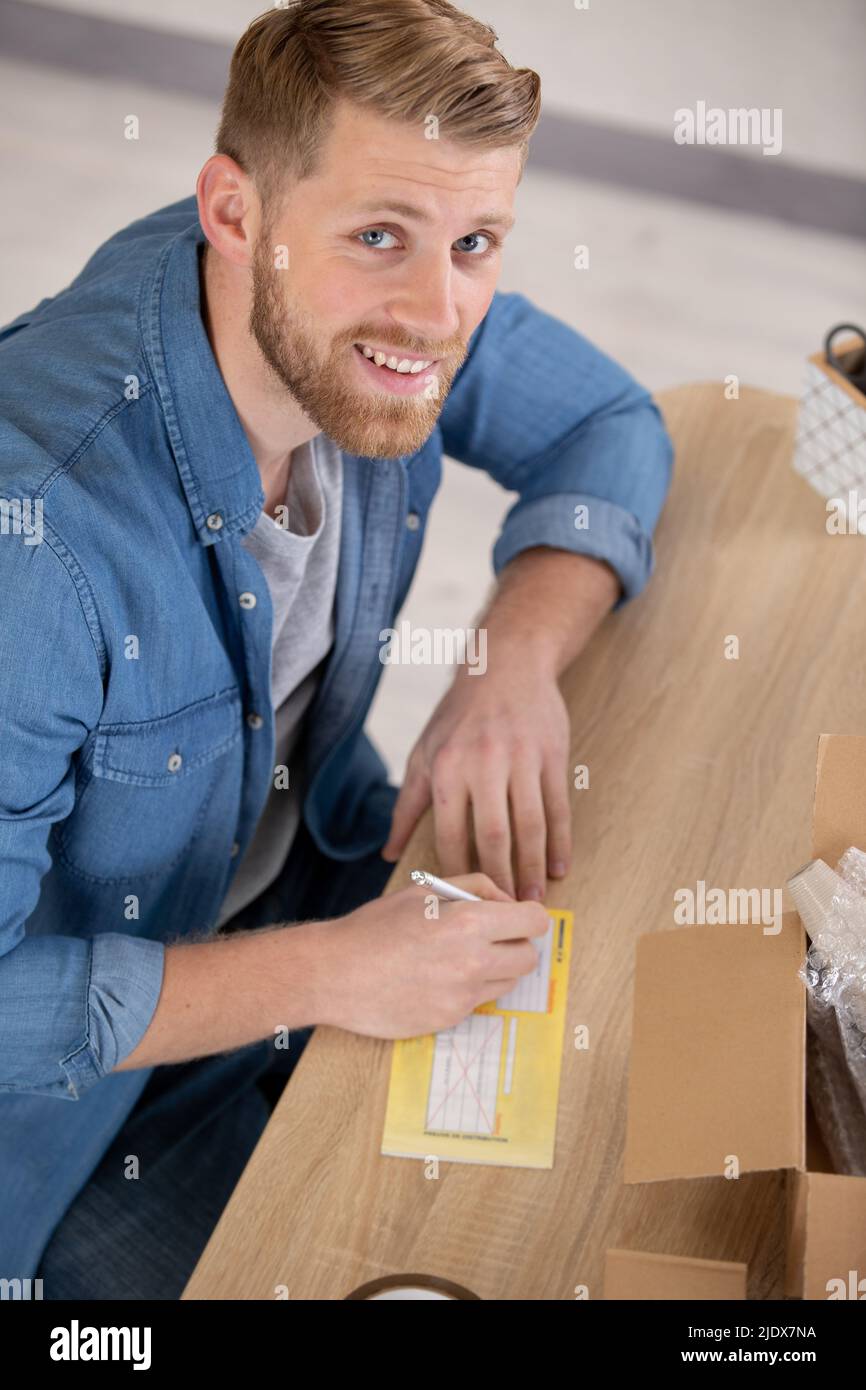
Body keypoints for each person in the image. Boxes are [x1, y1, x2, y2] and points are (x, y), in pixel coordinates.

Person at [0, 0, 673, 1299]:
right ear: (233, 212)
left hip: (312, 865)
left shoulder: (347, 329)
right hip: (85, 1120)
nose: (438, 313)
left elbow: (604, 420)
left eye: (475, 241)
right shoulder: (40, 549)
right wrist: (328, 972)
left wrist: (510, 661)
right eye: (382, 236)